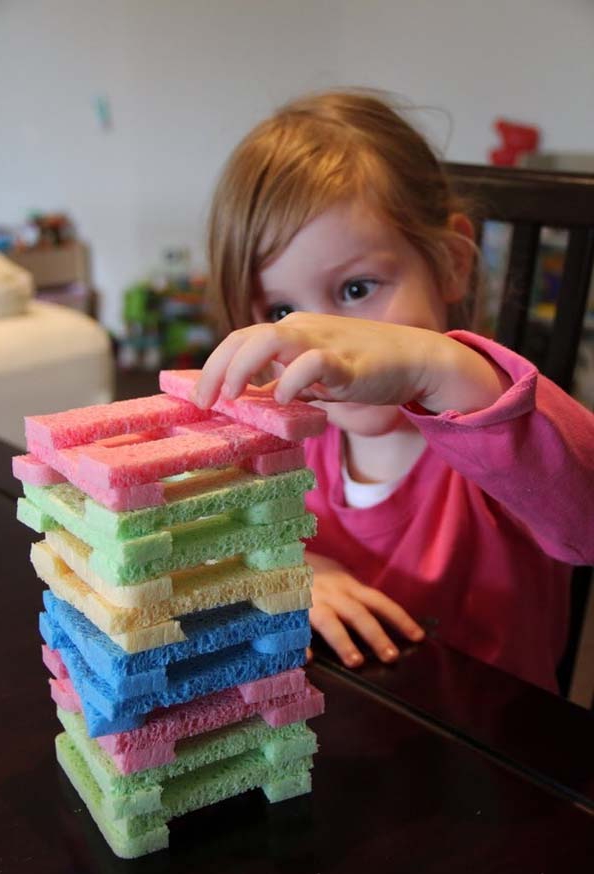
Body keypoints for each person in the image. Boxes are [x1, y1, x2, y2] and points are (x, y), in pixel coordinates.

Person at [196, 90, 594, 692]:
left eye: (357, 289)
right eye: (281, 310)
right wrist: (296, 565)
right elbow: (215, 541)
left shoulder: (501, 427)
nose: (317, 340)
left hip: (490, 752)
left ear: (451, 265)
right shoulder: (290, 439)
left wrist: (434, 364)